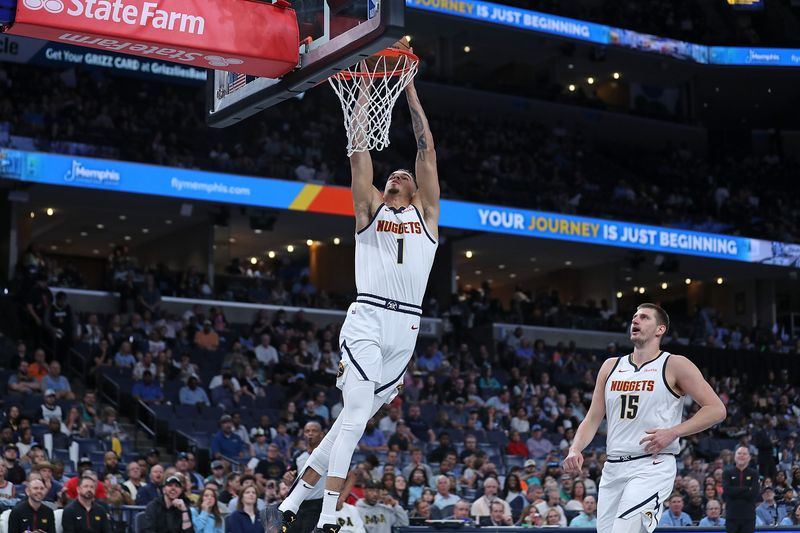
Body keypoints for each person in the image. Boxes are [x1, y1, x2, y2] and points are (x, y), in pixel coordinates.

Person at [275, 76, 440, 533]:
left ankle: (291, 501)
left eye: (404, 174)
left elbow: (426, 149)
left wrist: (407, 88)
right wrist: (364, 85)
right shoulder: (369, 208)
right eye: (393, 173)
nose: (398, 174)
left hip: (406, 332)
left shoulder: (427, 216)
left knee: (352, 418)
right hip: (368, 316)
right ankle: (327, 514)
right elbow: (359, 149)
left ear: (416, 189)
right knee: (355, 412)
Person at [563, 303, 726, 533]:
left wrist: (673, 431)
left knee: (625, 530)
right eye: (634, 317)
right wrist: (575, 448)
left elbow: (716, 409)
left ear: (660, 329)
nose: (635, 321)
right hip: (613, 467)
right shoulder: (611, 366)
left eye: (643, 317)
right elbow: (592, 418)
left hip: (652, 465)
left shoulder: (674, 364)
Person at [723, 446, 759, 533]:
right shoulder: (727, 473)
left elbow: (753, 493)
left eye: (744, 454)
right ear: (734, 456)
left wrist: (735, 491)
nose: (741, 456)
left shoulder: (754, 473)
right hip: (732, 516)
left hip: (748, 517)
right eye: (739, 453)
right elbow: (728, 491)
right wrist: (747, 488)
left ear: (749, 457)